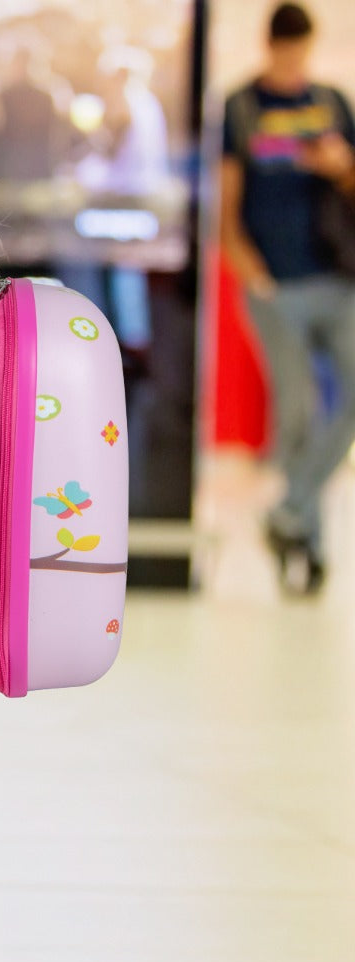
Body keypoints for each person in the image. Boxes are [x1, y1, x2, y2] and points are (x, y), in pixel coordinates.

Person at [221, 2, 355, 594]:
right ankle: (309, 545)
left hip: (337, 277)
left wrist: (342, 167)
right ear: (270, 46)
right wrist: (248, 267)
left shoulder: (332, 102)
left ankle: (289, 514)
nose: (294, 62)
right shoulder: (242, 107)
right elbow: (226, 199)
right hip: (276, 285)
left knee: (344, 408)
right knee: (298, 413)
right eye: (286, 51)